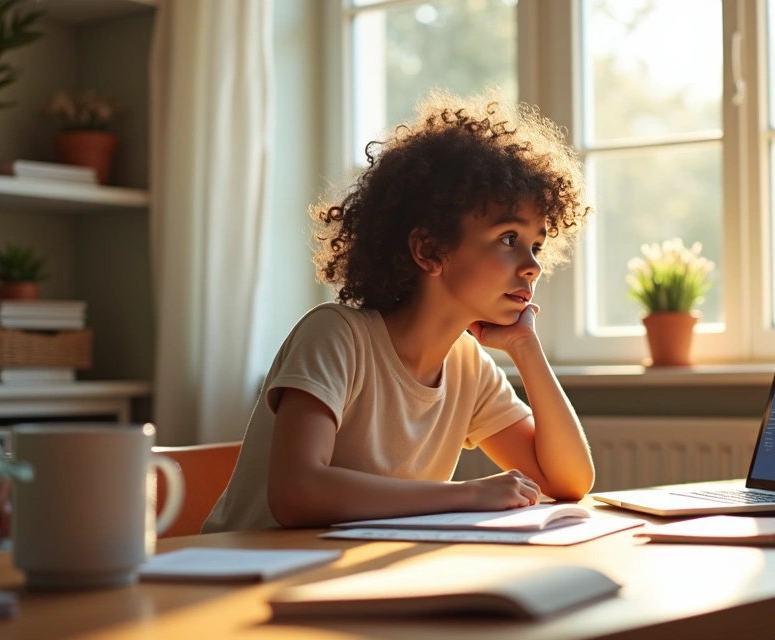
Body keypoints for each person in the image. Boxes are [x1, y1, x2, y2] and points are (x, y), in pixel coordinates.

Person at [202, 90, 595, 532]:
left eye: (536, 245)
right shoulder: (336, 336)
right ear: (429, 250)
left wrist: (526, 349)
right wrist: (467, 494)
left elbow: (569, 482)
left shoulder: (468, 367)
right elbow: (296, 494)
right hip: (242, 579)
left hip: (343, 578)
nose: (533, 265)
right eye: (509, 238)